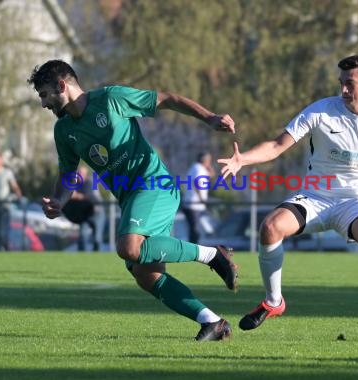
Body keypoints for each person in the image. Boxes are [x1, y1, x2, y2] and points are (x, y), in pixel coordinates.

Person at [218, 55, 358, 342]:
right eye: (341, 83)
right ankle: (274, 302)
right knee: (270, 227)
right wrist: (243, 160)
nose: (344, 90)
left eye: (350, 83)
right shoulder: (320, 111)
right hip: (315, 196)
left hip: (356, 201)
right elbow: (276, 145)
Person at [27, 59, 238, 341]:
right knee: (145, 274)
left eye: (44, 95)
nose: (43, 104)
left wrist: (210, 117)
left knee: (128, 247)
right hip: (130, 199)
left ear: (62, 86)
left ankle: (213, 255)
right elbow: (68, 172)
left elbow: (168, 100)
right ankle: (212, 321)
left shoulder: (111, 98)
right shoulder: (63, 131)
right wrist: (59, 201)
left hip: (153, 184)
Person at [182, 152, 215, 244]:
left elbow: (211, 175)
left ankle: (193, 247)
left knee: (195, 229)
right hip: (194, 204)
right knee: (195, 230)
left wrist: (209, 168)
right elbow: (198, 183)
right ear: (206, 161)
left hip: (192, 204)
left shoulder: (195, 167)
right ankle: (192, 249)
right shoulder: (199, 169)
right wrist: (201, 199)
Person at [71, 165, 106, 252]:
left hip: (97, 213)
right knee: (82, 236)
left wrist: (76, 196)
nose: (79, 175)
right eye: (78, 173)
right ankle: (81, 258)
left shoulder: (90, 182)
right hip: (85, 214)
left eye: (81, 173)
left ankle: (96, 258)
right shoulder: (76, 184)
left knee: (97, 238)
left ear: (85, 174)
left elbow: (90, 197)